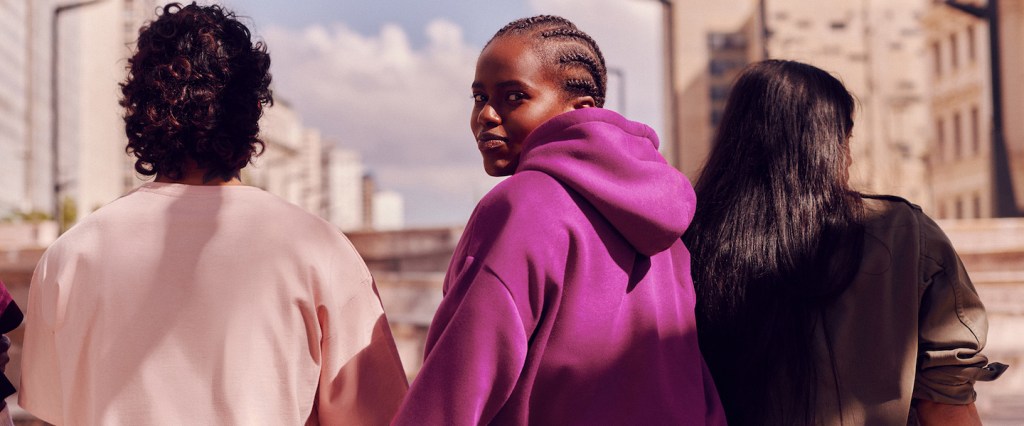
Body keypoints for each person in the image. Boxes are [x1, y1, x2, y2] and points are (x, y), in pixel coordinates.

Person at [19, 3, 407, 424]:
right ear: (253, 113)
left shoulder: (67, 258)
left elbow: (51, 414)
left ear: (138, 110)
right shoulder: (321, 252)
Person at [393, 15, 725, 425]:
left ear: (580, 108)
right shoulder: (669, 233)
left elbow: (456, 387)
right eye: (479, 98)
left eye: (514, 97)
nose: (487, 116)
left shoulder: (522, 204)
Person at [682, 59, 1007, 425]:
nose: (849, 158)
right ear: (828, 145)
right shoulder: (904, 235)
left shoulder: (688, 244)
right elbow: (947, 402)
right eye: (845, 139)